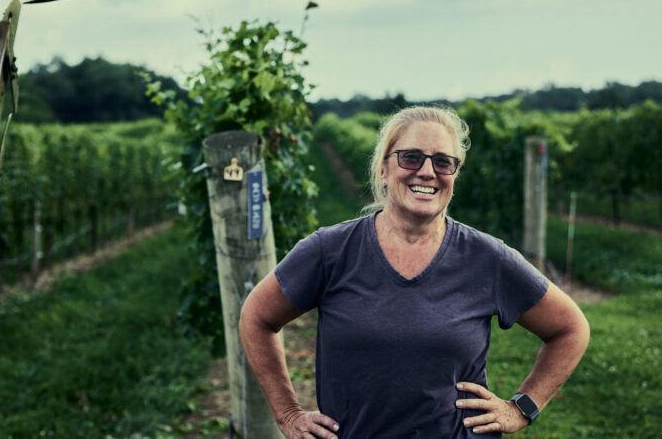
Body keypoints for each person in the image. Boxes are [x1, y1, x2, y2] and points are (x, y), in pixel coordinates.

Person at [239, 105, 589, 438]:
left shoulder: (487, 258)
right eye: (411, 157)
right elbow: (256, 317)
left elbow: (570, 328)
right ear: (383, 168)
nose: (427, 171)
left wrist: (522, 407)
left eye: (443, 162)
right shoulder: (329, 251)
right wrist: (287, 414)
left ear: (454, 174)